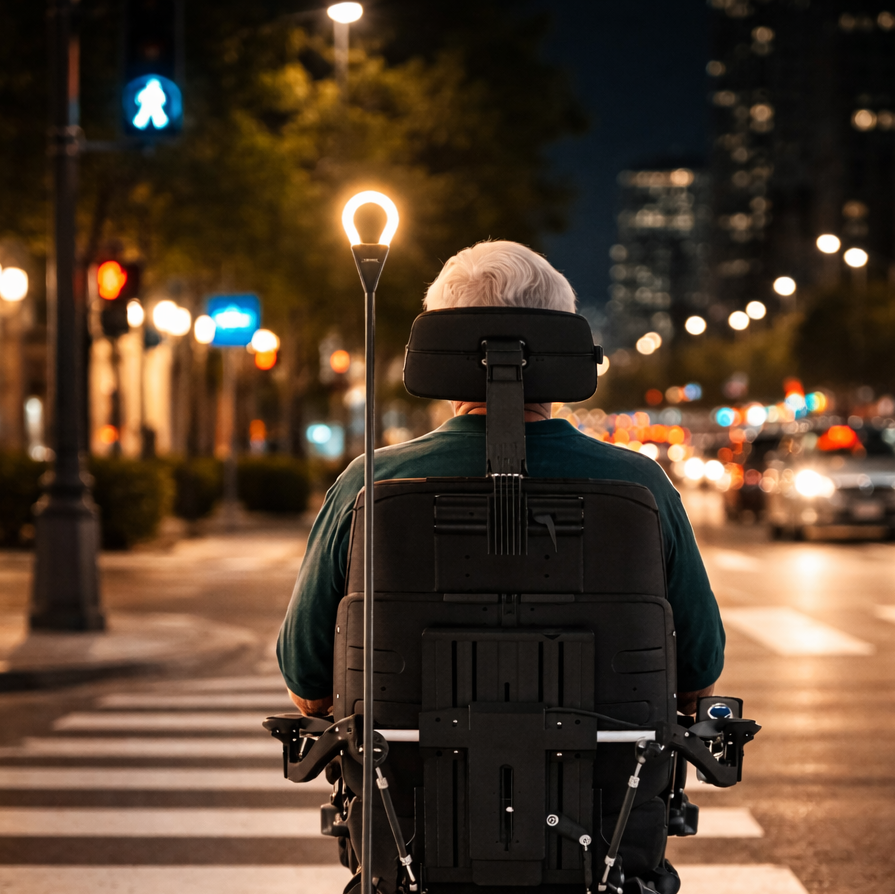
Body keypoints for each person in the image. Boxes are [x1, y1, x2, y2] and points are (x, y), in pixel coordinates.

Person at [277, 239, 724, 716]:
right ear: (564, 350)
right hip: (618, 784)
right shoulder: (642, 486)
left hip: (398, 782)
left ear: (439, 352)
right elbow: (698, 675)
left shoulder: (367, 483)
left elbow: (309, 686)